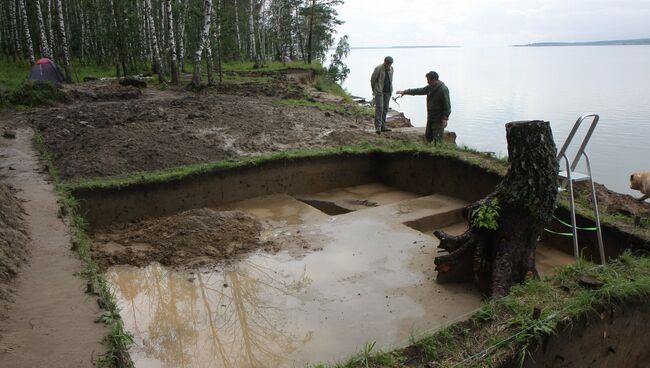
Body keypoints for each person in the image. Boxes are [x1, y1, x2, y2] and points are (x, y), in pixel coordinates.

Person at [397, 71, 451, 144]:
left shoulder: (443, 89)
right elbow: (418, 91)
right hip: (430, 117)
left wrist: (445, 118)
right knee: (428, 136)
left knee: (437, 140)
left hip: (438, 119)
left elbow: (447, 105)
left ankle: (438, 153)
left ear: (434, 80)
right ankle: (429, 151)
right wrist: (405, 92)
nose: (427, 82)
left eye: (428, 80)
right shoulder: (430, 87)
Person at [370, 56, 394, 134]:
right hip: (379, 92)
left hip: (388, 91)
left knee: (385, 109)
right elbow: (372, 80)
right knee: (379, 109)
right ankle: (378, 128)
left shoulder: (392, 69)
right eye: (387, 64)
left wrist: (391, 91)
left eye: (390, 64)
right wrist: (374, 90)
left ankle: (383, 126)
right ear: (384, 62)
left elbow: (391, 80)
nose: (388, 65)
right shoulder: (378, 68)